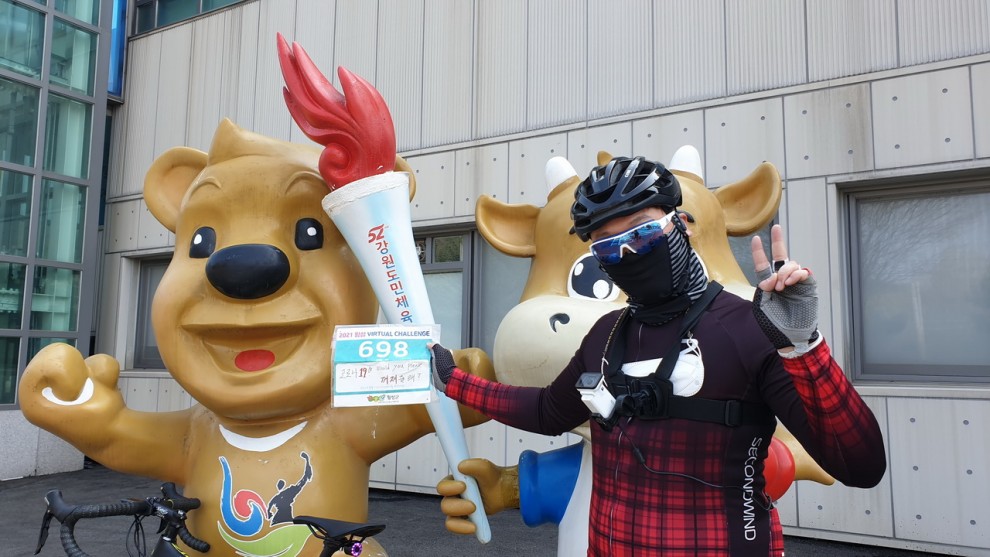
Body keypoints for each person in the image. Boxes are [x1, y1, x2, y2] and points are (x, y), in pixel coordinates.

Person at [429, 155, 886, 556]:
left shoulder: (750, 326)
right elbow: (548, 410)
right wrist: (454, 380)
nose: (628, 252)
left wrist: (804, 347)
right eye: (607, 246)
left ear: (679, 223)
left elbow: (860, 465)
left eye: (643, 232)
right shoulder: (605, 335)